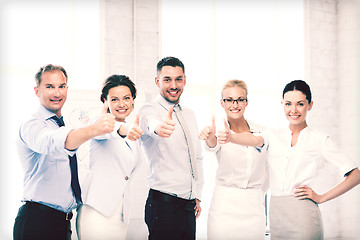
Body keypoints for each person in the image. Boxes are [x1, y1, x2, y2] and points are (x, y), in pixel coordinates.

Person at [217, 80, 360, 240]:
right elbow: (254, 141)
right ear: (282, 104)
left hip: (304, 215)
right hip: (276, 215)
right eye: (288, 104)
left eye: (300, 104)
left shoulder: (320, 140)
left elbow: (355, 174)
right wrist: (232, 137)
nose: (293, 110)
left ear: (310, 105)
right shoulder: (272, 135)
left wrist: (321, 197)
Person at [13, 64, 116, 240]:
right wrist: (93, 129)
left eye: (61, 86)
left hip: (62, 223)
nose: (57, 93)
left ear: (67, 89)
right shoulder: (32, 125)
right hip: (37, 222)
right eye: (49, 87)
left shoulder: (62, 125)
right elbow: (52, 141)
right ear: (37, 91)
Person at [139, 56, 204, 240]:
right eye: (167, 80)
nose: (173, 85)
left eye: (178, 79)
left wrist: (197, 194)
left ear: (184, 80)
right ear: (157, 81)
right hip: (163, 205)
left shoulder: (189, 114)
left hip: (188, 206)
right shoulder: (148, 110)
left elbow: (197, 157)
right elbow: (152, 124)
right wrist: (159, 128)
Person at [76, 74, 143, 239]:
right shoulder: (97, 122)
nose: (121, 104)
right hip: (96, 213)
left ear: (133, 100)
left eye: (126, 98)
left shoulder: (133, 133)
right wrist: (124, 130)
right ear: (105, 101)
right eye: (114, 99)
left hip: (120, 214)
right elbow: (109, 130)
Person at [199, 79, 268, 239]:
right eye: (229, 100)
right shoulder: (219, 132)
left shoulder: (262, 132)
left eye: (239, 99)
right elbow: (213, 144)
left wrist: (260, 192)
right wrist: (209, 137)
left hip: (254, 207)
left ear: (246, 102)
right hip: (224, 206)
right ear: (222, 103)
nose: (234, 104)